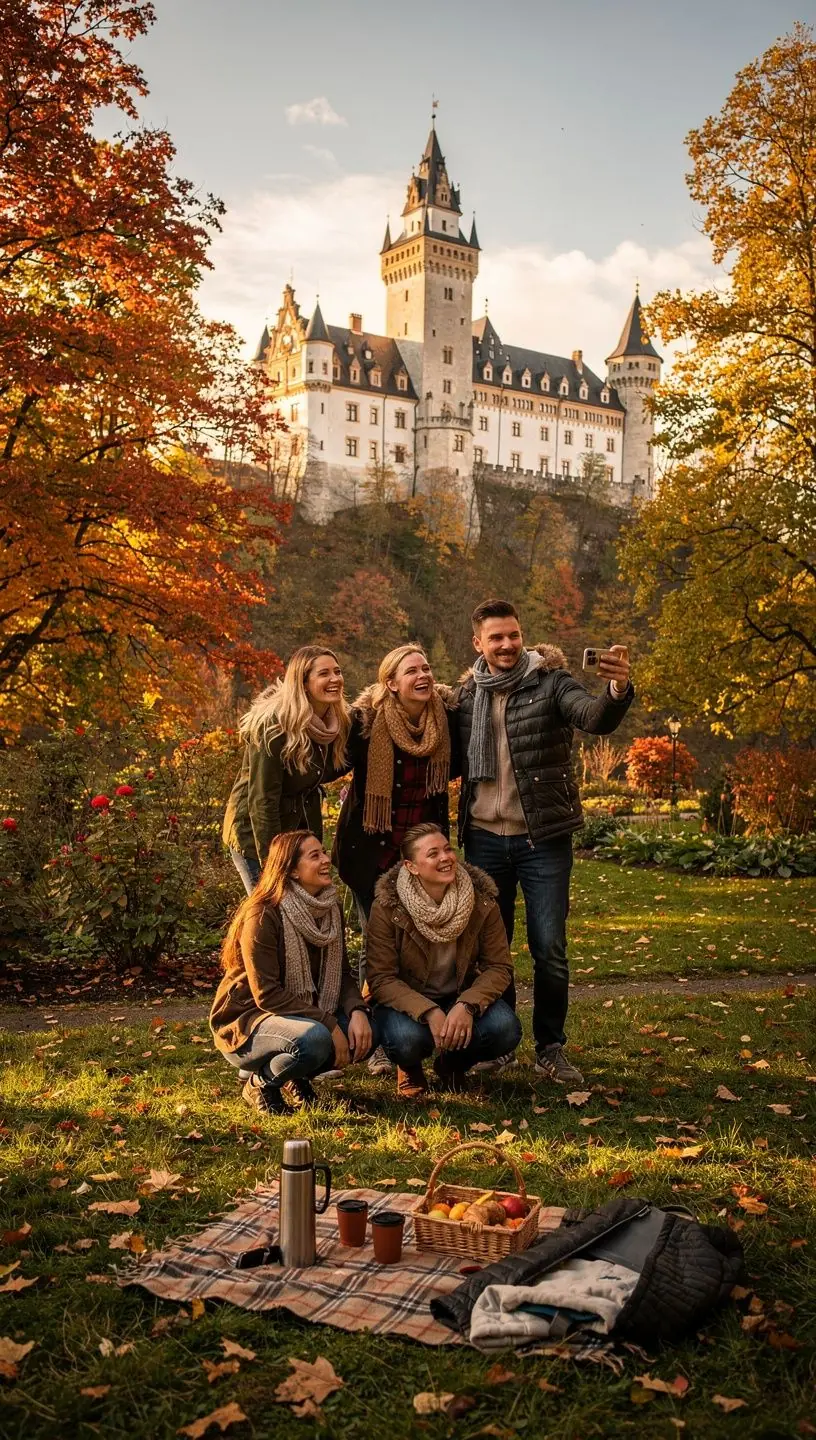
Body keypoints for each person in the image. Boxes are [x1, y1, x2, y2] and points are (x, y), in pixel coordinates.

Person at [455, 599, 633, 1087]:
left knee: (549, 946)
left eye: (513, 635)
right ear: (479, 644)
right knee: (492, 951)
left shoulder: (551, 683)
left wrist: (616, 687)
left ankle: (551, 1048)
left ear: (522, 635)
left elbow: (594, 717)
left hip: (542, 842)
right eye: (496, 637)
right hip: (484, 842)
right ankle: (504, 1043)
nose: (507, 644)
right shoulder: (466, 696)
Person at [332, 644, 459, 1076]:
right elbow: (329, 761)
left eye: (427, 667)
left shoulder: (446, 721)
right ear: (391, 683)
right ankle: (382, 1042)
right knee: (379, 945)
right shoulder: (366, 725)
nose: (423, 675)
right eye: (412, 671)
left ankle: (416, 1027)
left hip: (420, 857)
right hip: (371, 854)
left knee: (418, 943)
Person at [210, 830, 374, 1114]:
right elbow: (267, 994)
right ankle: (261, 1083)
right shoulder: (263, 914)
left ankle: (294, 1075)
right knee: (315, 1039)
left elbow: (343, 974)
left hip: (299, 1016)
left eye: (323, 853)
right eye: (315, 856)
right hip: (248, 1021)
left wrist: (358, 1010)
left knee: (372, 1030)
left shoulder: (329, 906)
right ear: (293, 871)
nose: (326, 860)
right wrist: (330, 1023)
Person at [366, 823, 522, 1099]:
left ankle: (452, 1065)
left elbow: (499, 967)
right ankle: (410, 1068)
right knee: (406, 1040)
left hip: (460, 995)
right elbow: (381, 978)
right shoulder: (388, 907)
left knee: (505, 1029)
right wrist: (428, 1011)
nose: (446, 858)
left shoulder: (481, 901)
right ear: (411, 866)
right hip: (408, 1003)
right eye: (433, 853)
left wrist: (468, 1005)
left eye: (448, 849)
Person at [223, 646, 351, 895]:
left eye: (337, 671)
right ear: (303, 683)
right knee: (272, 911)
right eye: (324, 673)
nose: (335, 679)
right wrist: (274, 863)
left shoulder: (331, 721)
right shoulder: (274, 725)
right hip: (258, 834)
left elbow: (320, 772)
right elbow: (262, 800)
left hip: (299, 833)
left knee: (302, 911)